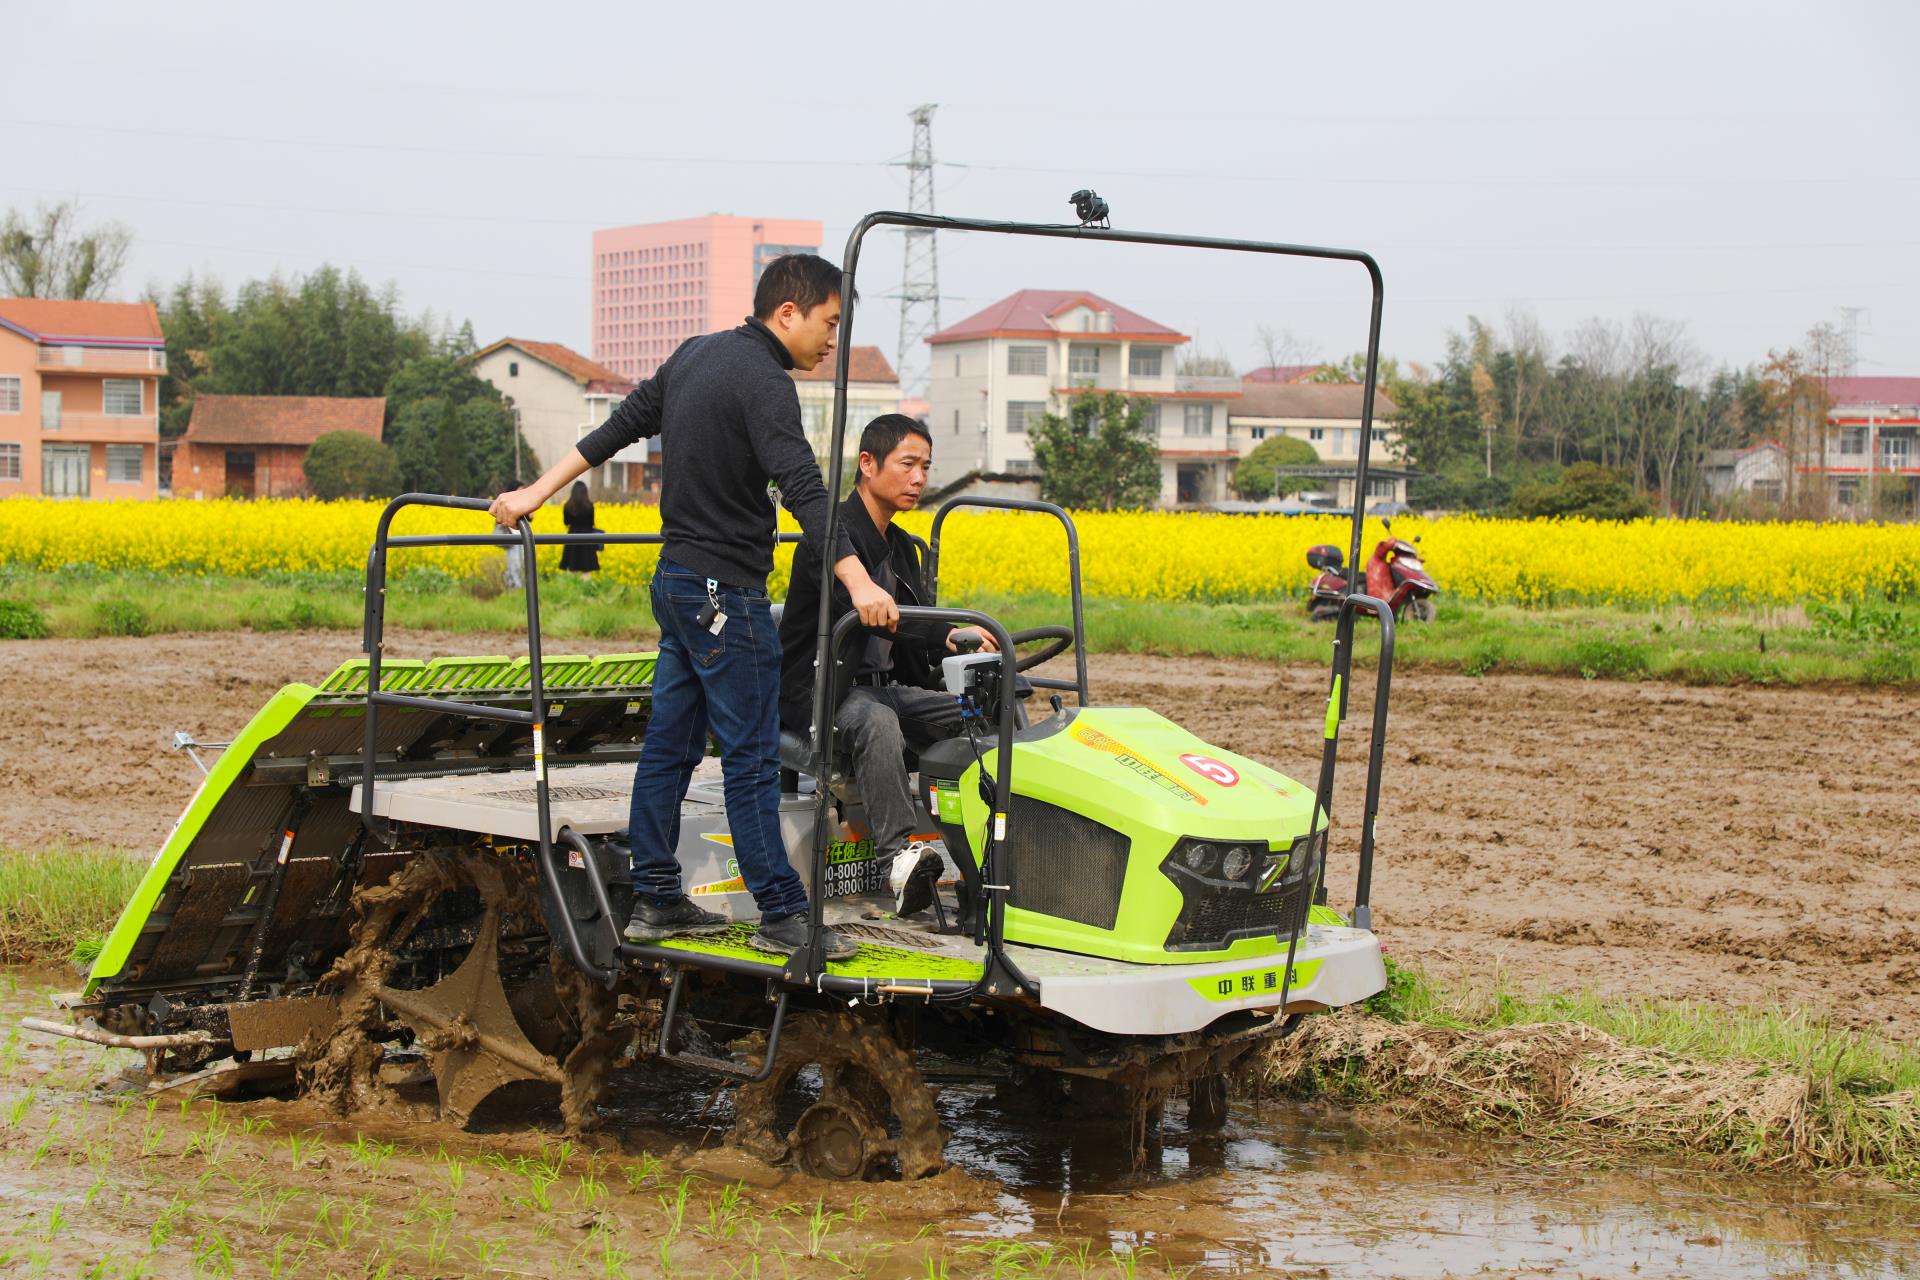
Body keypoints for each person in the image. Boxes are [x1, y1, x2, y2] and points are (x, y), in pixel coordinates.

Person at [490, 254, 896, 961]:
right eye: (830, 324)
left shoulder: (695, 355)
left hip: (676, 585)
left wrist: (534, 493)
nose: (834, 340)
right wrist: (859, 581)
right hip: (725, 596)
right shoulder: (766, 383)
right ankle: (783, 914)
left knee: (670, 747)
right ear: (788, 312)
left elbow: (612, 432)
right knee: (749, 759)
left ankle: (655, 897)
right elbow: (803, 487)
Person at [778, 413, 997, 918]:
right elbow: (874, 618)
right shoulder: (829, 539)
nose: (919, 478)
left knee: (976, 712)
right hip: (824, 690)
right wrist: (937, 629)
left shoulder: (901, 546)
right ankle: (899, 858)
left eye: (926, 466)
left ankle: (992, 853)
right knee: (877, 719)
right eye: (908, 464)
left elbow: (913, 635)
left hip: (885, 689)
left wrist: (955, 645)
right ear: (868, 464)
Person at [559, 481, 599, 574]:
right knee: (587, 568)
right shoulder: (590, 506)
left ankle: (573, 587)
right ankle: (585, 588)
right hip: (587, 537)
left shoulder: (567, 506)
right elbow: (592, 522)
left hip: (572, 536)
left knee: (572, 564)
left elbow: (566, 522)